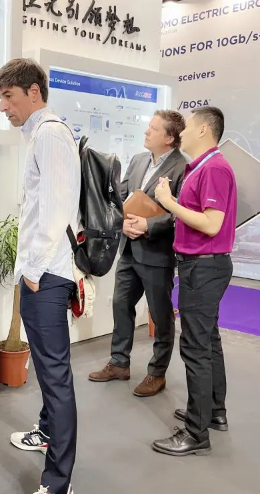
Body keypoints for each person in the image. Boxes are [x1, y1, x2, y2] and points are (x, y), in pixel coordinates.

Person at [0, 58, 79, 494]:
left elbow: (57, 209)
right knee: (49, 370)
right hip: (41, 272)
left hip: (46, 274)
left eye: (8, 97)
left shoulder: (50, 134)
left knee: (55, 375)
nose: (3, 107)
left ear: (33, 92)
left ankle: (58, 481)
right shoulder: (40, 135)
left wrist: (34, 270)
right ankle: (46, 432)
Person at [151, 106, 237, 457]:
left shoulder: (214, 168)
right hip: (202, 267)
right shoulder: (202, 168)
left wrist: (168, 203)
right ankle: (212, 412)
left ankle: (196, 433)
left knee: (196, 348)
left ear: (203, 130)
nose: (181, 132)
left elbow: (212, 224)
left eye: (187, 127)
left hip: (203, 268)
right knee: (208, 342)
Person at [89, 111, 186, 396]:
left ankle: (157, 373)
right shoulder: (139, 160)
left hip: (157, 253)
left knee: (160, 314)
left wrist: (148, 225)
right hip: (129, 248)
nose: (146, 132)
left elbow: (181, 214)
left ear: (169, 138)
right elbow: (121, 196)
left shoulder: (184, 168)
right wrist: (122, 222)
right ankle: (119, 363)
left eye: (153, 128)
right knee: (121, 305)